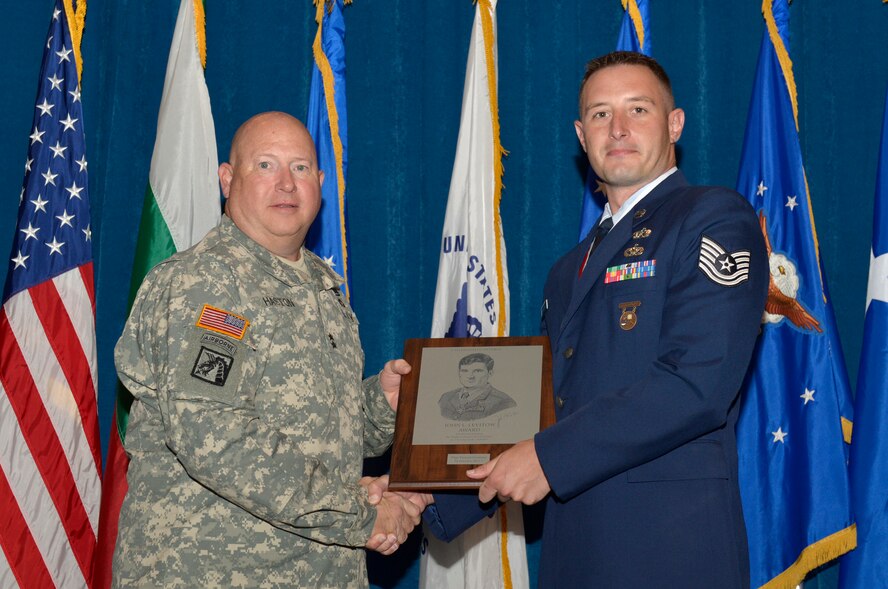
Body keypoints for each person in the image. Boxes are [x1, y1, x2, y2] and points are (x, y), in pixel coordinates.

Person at [422, 51, 769, 587]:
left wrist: (547, 459)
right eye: (601, 114)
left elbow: (697, 383)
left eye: (638, 109)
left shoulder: (712, 217)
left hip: (669, 549)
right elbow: (540, 408)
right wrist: (422, 494)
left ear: (675, 124)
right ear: (582, 136)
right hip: (574, 547)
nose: (619, 128)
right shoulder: (568, 269)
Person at [112, 112, 422, 588]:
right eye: (265, 165)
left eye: (300, 168)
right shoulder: (208, 282)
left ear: (320, 183)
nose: (286, 184)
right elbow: (217, 437)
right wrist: (361, 515)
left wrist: (382, 404)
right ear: (227, 178)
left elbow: (313, 431)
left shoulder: (321, 288)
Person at [438, 352, 517, 421]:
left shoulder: (504, 402)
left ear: (490, 373)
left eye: (477, 371)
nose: (470, 376)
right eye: (464, 371)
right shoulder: (446, 397)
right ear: (459, 373)